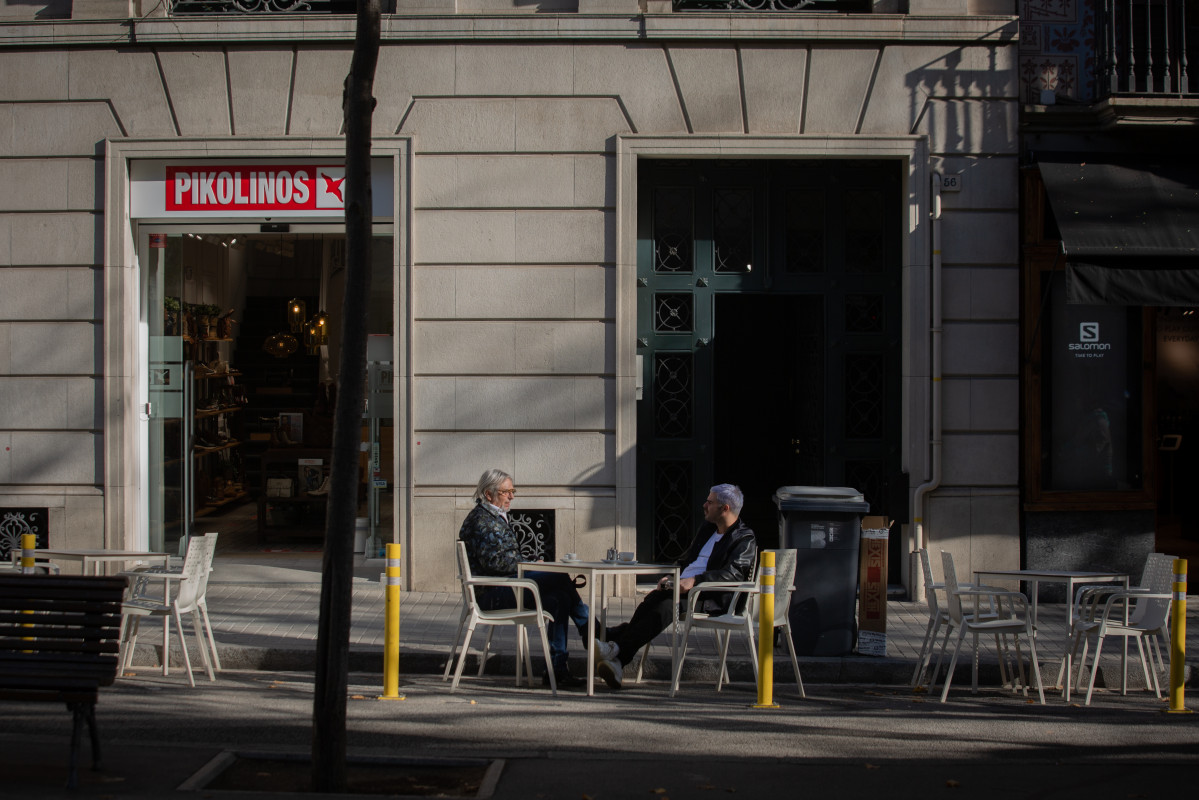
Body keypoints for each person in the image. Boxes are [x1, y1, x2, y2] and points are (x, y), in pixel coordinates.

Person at [592, 483, 757, 689]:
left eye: (710, 502)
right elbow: (687, 559)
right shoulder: (708, 529)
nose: (704, 505)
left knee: (666, 606)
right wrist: (670, 576)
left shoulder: (744, 538)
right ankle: (615, 657)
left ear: (725, 508)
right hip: (684, 589)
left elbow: (733, 574)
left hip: (709, 597)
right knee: (652, 599)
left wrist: (695, 582)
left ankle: (613, 644)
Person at [458, 468, 590, 688]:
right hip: (492, 595)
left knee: (560, 598)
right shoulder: (481, 521)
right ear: (488, 494)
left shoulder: (493, 516)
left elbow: (504, 558)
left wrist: (530, 562)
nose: (511, 496)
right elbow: (495, 563)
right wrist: (527, 565)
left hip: (507, 585)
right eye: (506, 492)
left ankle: (557, 671)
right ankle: (592, 634)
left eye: (512, 491)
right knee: (559, 577)